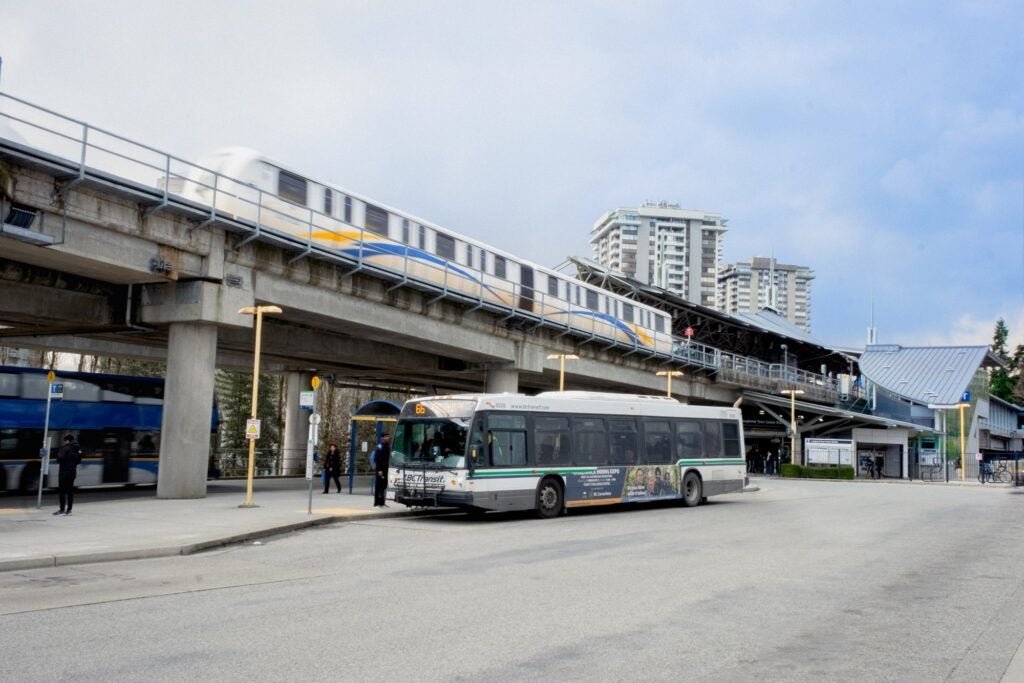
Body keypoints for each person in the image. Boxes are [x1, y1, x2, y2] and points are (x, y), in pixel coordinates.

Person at [54, 434, 81, 516]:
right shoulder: (77, 448)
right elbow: (79, 461)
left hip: (64, 473)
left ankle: (62, 509)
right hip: (72, 472)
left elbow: (59, 458)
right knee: (70, 492)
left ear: (67, 440)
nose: (64, 442)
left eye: (64, 441)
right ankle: (69, 510)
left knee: (62, 492)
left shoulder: (66, 448)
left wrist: (58, 455)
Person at [373, 433, 391, 507]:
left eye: (388, 436)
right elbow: (377, 459)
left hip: (386, 469)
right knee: (379, 486)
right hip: (380, 470)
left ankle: (382, 502)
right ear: (382, 438)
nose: (388, 438)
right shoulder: (380, 446)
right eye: (386, 437)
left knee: (384, 486)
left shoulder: (388, 446)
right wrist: (379, 470)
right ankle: (377, 503)